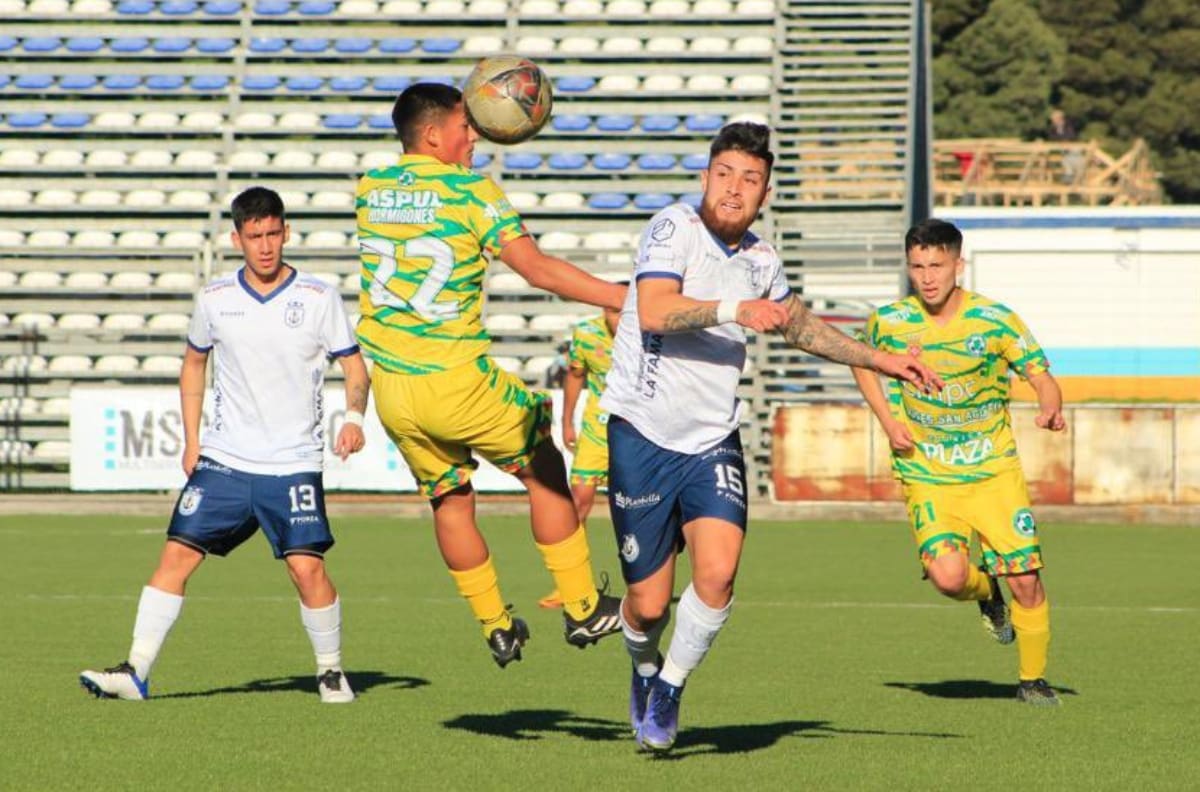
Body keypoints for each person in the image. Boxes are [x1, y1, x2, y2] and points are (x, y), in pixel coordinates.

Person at [600, 122, 942, 752]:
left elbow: (800, 326)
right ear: (705, 178)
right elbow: (653, 310)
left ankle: (671, 689)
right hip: (642, 433)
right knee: (648, 606)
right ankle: (645, 667)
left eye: (750, 180)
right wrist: (734, 310)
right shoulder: (673, 228)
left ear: (765, 194)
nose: (734, 189)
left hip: (712, 440)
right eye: (725, 174)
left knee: (719, 574)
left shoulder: (762, 258)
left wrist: (880, 360)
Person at [356, 82, 625, 668]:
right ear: (433, 135)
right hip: (455, 377)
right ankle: (582, 607)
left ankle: (496, 625)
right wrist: (619, 295)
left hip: (392, 388)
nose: (473, 134)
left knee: (450, 502)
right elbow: (534, 268)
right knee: (545, 465)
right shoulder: (471, 190)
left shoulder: (370, 188)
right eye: (463, 125)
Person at [80, 187, 370, 703]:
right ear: (237, 238)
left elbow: (353, 365)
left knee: (307, 569)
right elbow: (194, 363)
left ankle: (329, 671)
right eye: (254, 236)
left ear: (287, 232)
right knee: (176, 556)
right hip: (225, 460)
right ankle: (135, 669)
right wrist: (193, 440)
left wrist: (353, 417)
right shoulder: (215, 299)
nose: (265, 246)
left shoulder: (318, 297)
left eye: (274, 234)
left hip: (292, 463)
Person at [851, 218, 1066, 706]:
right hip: (927, 472)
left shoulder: (995, 320)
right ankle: (986, 590)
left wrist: (1050, 402)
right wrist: (887, 419)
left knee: (1027, 581)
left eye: (937, 265)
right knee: (949, 578)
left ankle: (1032, 680)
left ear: (958, 265)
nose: (927, 277)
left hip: (993, 471)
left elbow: (1040, 373)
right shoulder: (890, 321)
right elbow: (861, 362)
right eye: (917, 267)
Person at [539, 297, 623, 609]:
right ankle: (571, 586)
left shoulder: (648, 333)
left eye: (622, 312)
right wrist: (566, 421)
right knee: (578, 502)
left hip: (638, 431)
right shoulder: (586, 333)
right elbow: (575, 375)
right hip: (596, 431)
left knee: (634, 507)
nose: (616, 319)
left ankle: (643, 581)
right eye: (611, 310)